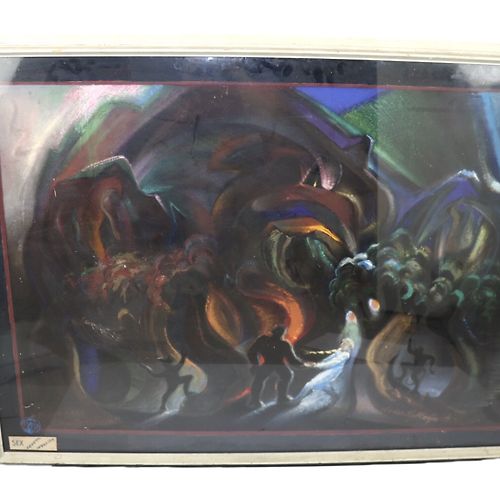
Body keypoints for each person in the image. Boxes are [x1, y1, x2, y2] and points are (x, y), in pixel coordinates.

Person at [247, 325, 304, 408]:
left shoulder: (283, 344)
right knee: (259, 379)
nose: (279, 334)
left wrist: (301, 364)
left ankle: (281, 397)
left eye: (281, 333)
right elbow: (252, 352)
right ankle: (254, 401)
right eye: (278, 332)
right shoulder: (264, 340)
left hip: (277, 363)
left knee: (286, 375)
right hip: (269, 363)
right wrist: (255, 364)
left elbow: (292, 359)